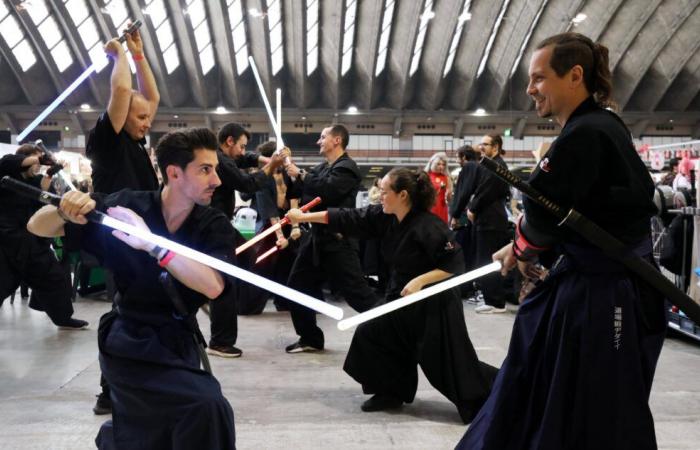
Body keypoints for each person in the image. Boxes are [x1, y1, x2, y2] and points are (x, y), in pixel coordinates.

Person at [457, 33, 666, 450]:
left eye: (538, 78)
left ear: (574, 76)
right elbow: (567, 214)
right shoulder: (600, 127)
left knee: (598, 405)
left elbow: (543, 213)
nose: (530, 89)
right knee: (550, 389)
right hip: (594, 280)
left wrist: (524, 245)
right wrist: (522, 245)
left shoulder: (587, 133)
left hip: (606, 292)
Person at [27, 128, 237, 450]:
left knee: (160, 429)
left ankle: (114, 438)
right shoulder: (126, 208)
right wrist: (63, 209)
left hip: (179, 339)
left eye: (215, 170)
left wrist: (154, 247)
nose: (217, 181)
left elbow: (213, 286)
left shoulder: (213, 225)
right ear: (174, 173)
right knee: (207, 406)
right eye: (205, 170)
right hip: (128, 339)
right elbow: (37, 226)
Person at [286, 168, 497, 423]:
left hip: (434, 304)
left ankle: (495, 395)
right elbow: (348, 217)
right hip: (401, 297)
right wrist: (304, 215)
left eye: (385, 192)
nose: (380, 196)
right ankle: (391, 392)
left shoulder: (430, 226)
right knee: (373, 333)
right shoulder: (384, 216)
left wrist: (420, 281)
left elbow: (455, 265)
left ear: (403, 195)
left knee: (444, 363)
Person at [84, 22, 161, 416]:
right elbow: (120, 91)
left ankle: (132, 383)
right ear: (120, 116)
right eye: (141, 116)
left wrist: (139, 52)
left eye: (148, 117)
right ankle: (108, 391)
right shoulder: (108, 141)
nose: (148, 121)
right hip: (119, 239)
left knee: (141, 308)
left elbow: (152, 95)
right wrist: (117, 55)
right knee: (122, 312)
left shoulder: (133, 138)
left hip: (142, 238)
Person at [283, 124, 379, 353]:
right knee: (296, 286)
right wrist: (287, 165)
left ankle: (394, 327)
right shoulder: (323, 167)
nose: (318, 141)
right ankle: (310, 338)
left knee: (358, 295)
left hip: (338, 241)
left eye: (323, 137)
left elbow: (328, 191)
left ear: (337, 140)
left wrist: (300, 174)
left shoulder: (347, 168)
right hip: (315, 240)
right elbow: (307, 189)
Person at [206, 124, 288, 358]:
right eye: (241, 146)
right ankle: (220, 341)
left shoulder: (223, 157)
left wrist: (266, 158)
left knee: (248, 259)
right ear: (229, 141)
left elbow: (244, 160)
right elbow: (247, 185)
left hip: (220, 223)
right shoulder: (220, 162)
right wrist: (272, 165)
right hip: (215, 225)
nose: (244, 151)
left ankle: (207, 294)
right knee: (226, 281)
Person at [0, 144, 88, 329]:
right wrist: (40, 158)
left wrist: (50, 173)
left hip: (33, 240)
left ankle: (63, 318)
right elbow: (22, 162)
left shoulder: (35, 179)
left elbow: (42, 191)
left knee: (54, 278)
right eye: (36, 161)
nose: (38, 166)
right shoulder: (7, 166)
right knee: (4, 282)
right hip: (7, 240)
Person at [467, 135, 511, 313]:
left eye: (485, 144)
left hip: (491, 222)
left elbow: (485, 192)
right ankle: (491, 299)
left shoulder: (497, 165)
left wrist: (473, 208)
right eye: (481, 143)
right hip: (489, 221)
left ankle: (495, 302)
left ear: (496, 147)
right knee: (485, 260)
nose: (481, 147)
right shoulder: (490, 164)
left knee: (488, 261)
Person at [450, 145, 480, 299]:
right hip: (473, 219)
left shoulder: (468, 167)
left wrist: (455, 215)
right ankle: (467, 288)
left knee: (461, 255)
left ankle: (461, 289)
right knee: (470, 255)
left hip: (464, 219)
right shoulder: (480, 166)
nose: (457, 160)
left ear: (463, 156)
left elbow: (463, 193)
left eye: (457, 156)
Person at [424, 152, 453, 223]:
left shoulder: (446, 178)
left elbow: (449, 199)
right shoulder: (425, 176)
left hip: (442, 207)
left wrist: (449, 195)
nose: (441, 167)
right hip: (429, 207)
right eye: (438, 164)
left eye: (443, 164)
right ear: (432, 163)